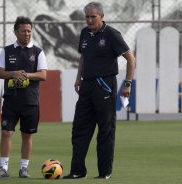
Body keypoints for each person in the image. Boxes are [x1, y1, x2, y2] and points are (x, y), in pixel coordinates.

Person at [63, 2, 136, 179]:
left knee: (105, 130)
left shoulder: (111, 34)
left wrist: (127, 84)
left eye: (93, 17)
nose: (89, 20)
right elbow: (83, 57)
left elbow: (131, 59)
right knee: (79, 129)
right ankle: (77, 171)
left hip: (105, 84)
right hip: (86, 86)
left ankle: (104, 172)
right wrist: (78, 77)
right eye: (87, 17)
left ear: (101, 16)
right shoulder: (84, 33)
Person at [0, 16, 47, 178]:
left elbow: (43, 75)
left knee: (27, 135)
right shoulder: (7, 51)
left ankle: (24, 168)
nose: (27, 34)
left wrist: (26, 75)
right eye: (23, 31)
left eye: (29, 31)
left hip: (30, 101)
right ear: (16, 32)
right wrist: (14, 73)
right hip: (11, 100)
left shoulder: (38, 52)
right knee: (6, 133)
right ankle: (3, 168)